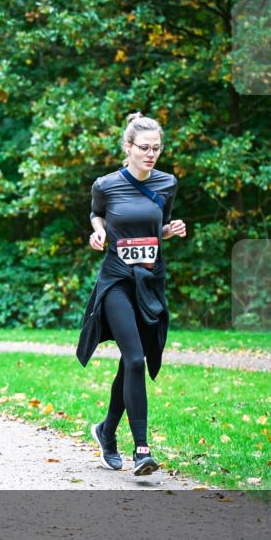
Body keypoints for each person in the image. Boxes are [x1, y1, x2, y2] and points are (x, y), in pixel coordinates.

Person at [77, 112, 187, 476]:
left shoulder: (167, 183)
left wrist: (171, 230)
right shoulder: (106, 185)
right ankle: (142, 450)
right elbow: (96, 214)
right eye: (144, 148)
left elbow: (158, 227)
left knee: (130, 363)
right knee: (136, 359)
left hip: (149, 281)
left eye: (157, 148)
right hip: (117, 281)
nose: (151, 154)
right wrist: (98, 232)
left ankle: (106, 431)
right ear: (128, 147)